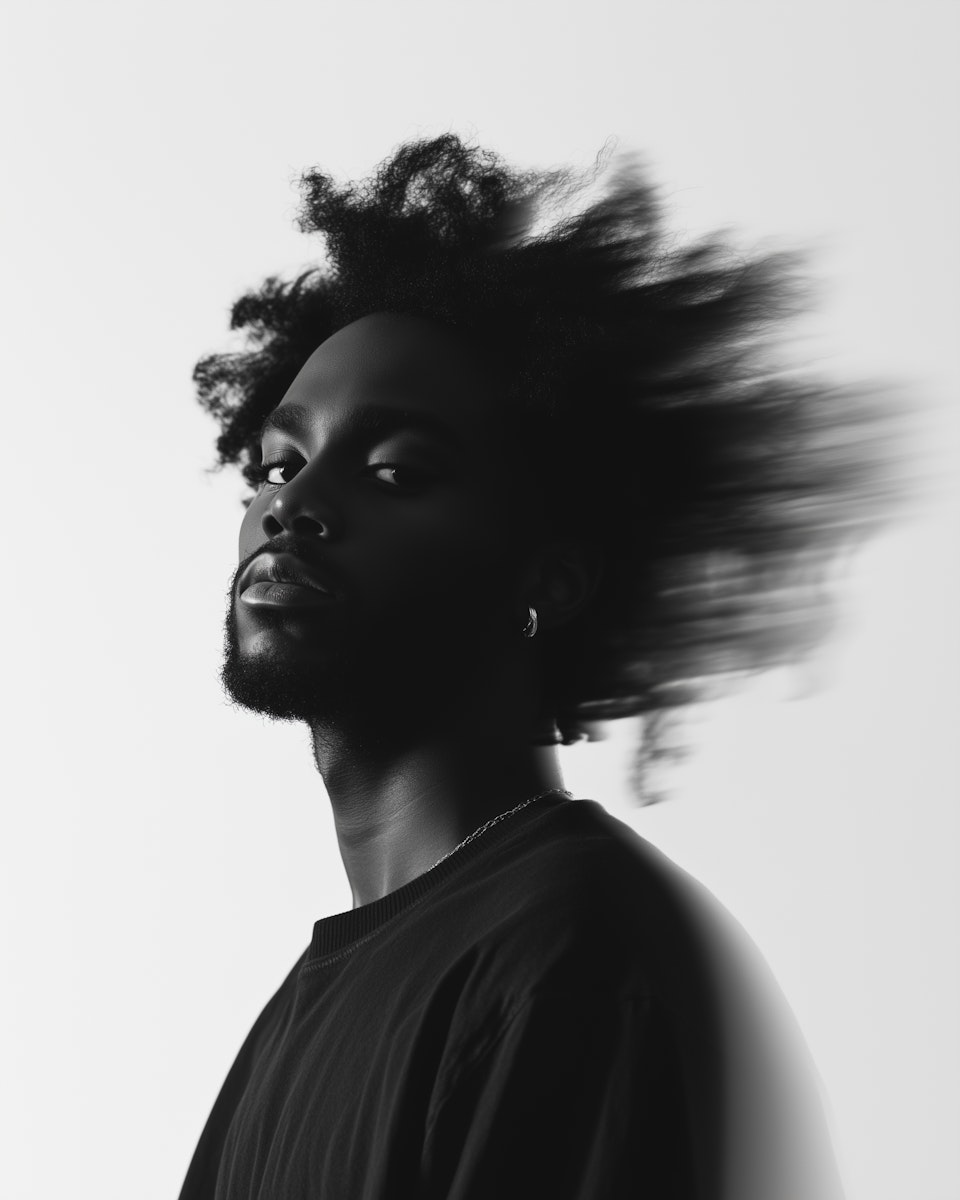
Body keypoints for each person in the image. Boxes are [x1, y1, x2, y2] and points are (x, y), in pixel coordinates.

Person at [177, 134, 892, 1198]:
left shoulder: (570, 962)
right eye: (280, 461)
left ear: (546, 580)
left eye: (395, 470)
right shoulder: (306, 1009)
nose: (292, 503)